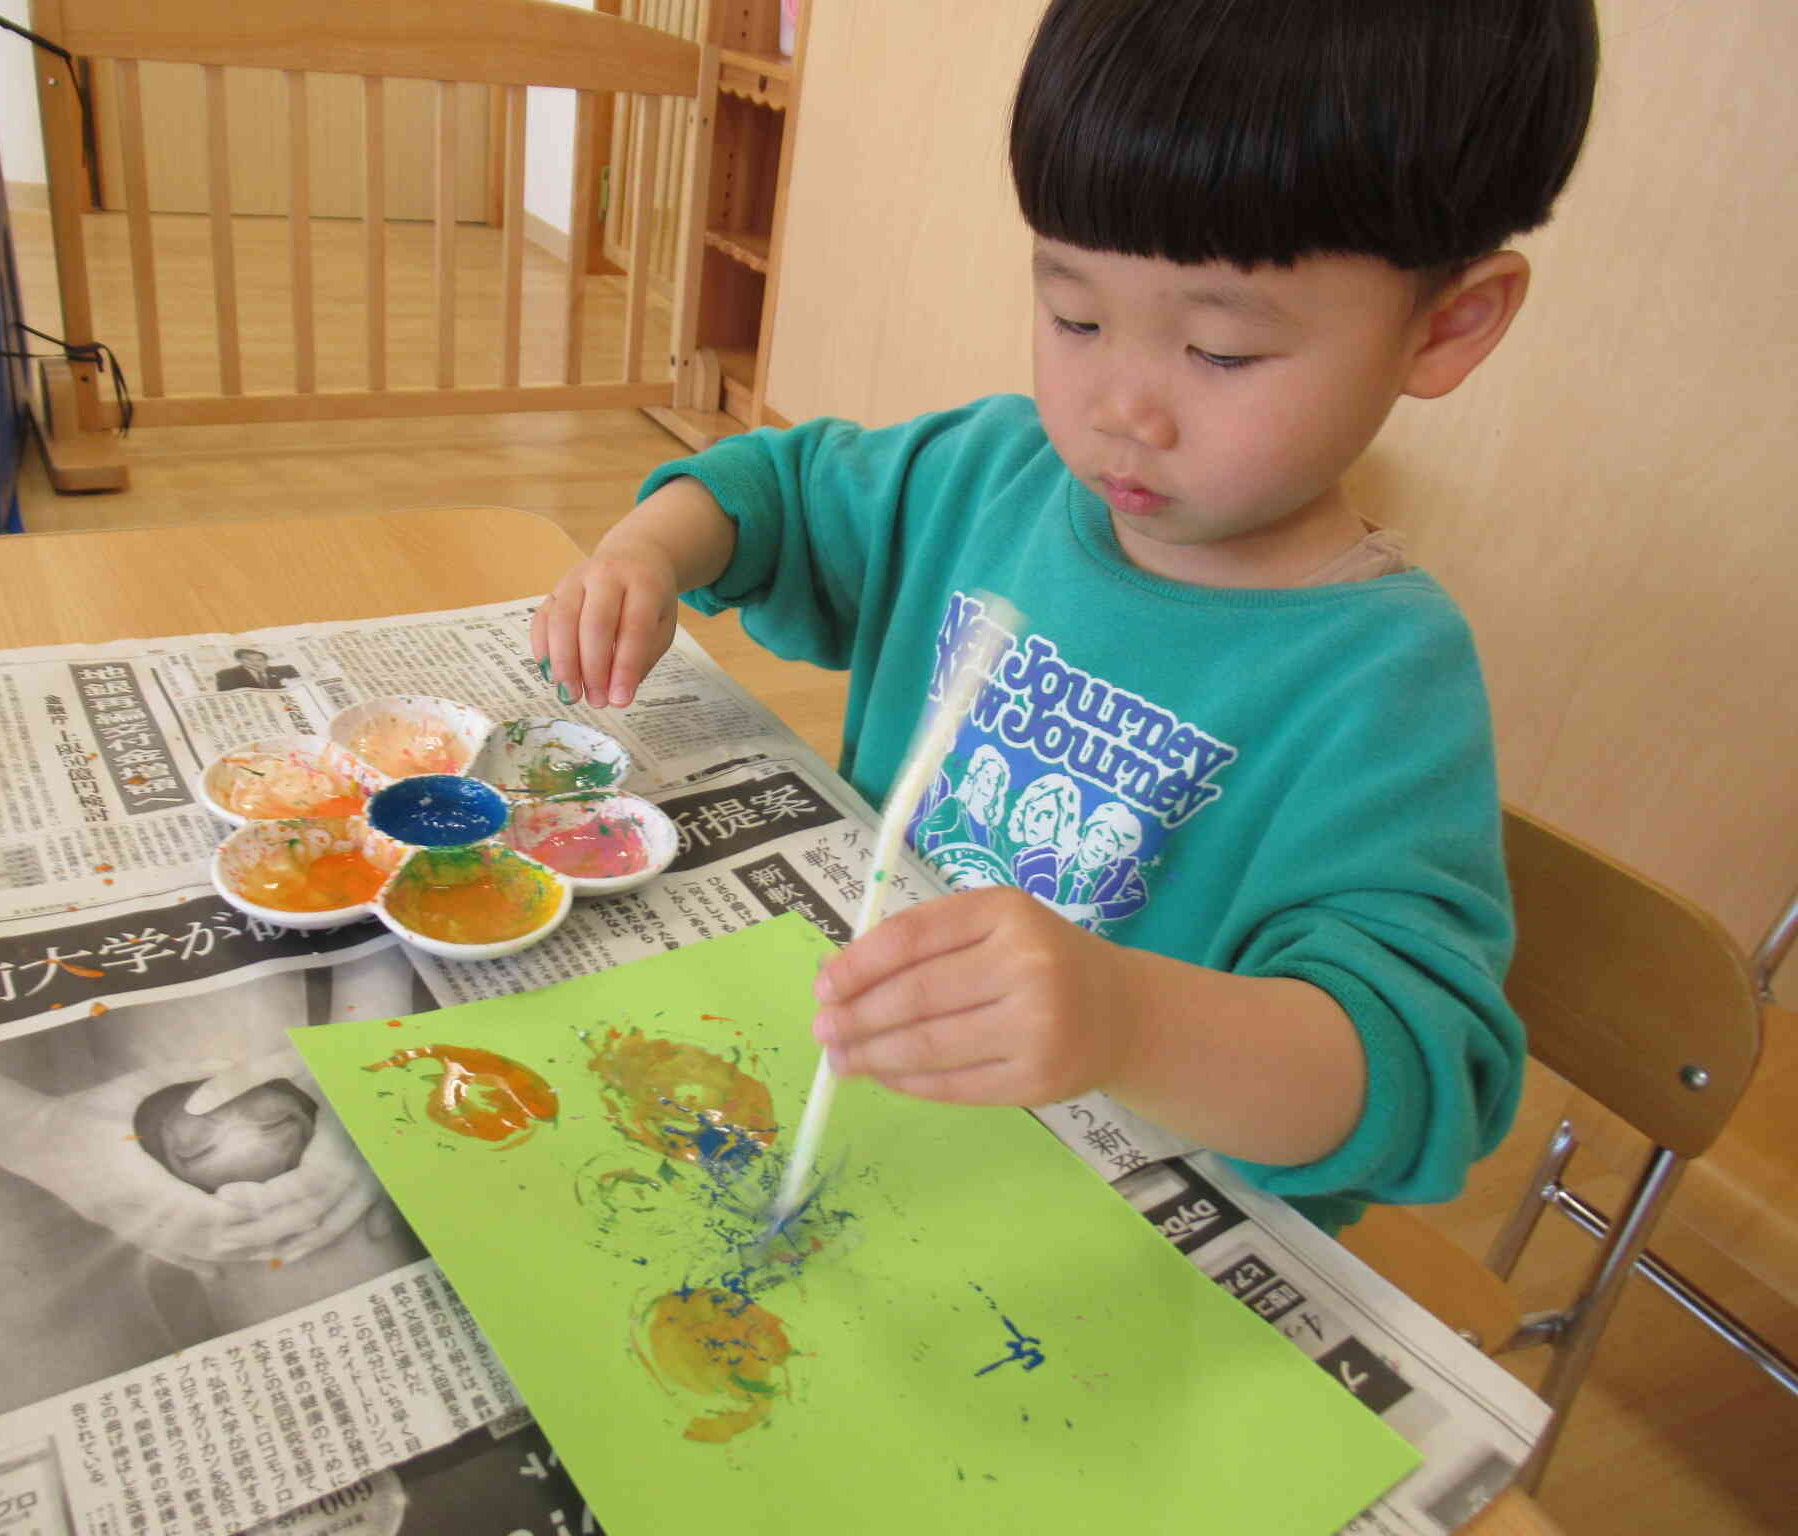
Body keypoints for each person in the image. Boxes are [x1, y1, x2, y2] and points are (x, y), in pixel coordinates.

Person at [531, 0, 1599, 1232]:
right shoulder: (987, 478)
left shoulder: (1378, 678)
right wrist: (650, 551)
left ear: (1445, 326)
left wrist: (1125, 1021)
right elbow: (775, 489)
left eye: (1220, 351)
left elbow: (1416, 1074)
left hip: (1109, 1226)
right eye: (1075, 318)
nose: (1117, 410)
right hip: (860, 1106)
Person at [215, 646, 299, 691]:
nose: (254, 663)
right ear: (239, 660)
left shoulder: (286, 670)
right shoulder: (226, 675)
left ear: (266, 660)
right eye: (248, 659)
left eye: (259, 660)